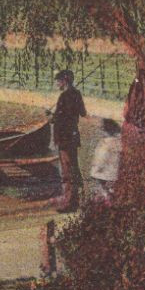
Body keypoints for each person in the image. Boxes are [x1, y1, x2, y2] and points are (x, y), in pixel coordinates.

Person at [51, 70, 88, 210]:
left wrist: (52, 117)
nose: (57, 84)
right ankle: (81, 199)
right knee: (75, 167)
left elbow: (59, 119)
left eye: (59, 81)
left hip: (64, 138)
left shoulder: (63, 96)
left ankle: (69, 203)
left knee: (67, 171)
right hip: (73, 136)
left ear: (65, 81)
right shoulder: (77, 94)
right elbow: (83, 113)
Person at [88, 118, 122, 203]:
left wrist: (94, 171)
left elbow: (100, 160)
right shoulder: (119, 142)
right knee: (111, 191)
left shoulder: (105, 144)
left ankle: (105, 202)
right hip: (116, 174)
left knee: (103, 191)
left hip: (103, 174)